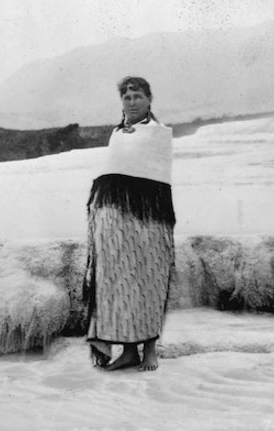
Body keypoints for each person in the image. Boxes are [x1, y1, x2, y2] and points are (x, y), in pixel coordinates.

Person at [83, 76, 176, 371]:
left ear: (149, 99)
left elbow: (156, 177)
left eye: (137, 97)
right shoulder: (118, 134)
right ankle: (127, 351)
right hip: (113, 217)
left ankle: (149, 349)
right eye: (126, 97)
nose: (132, 102)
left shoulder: (158, 134)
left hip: (149, 216)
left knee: (148, 275)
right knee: (117, 280)